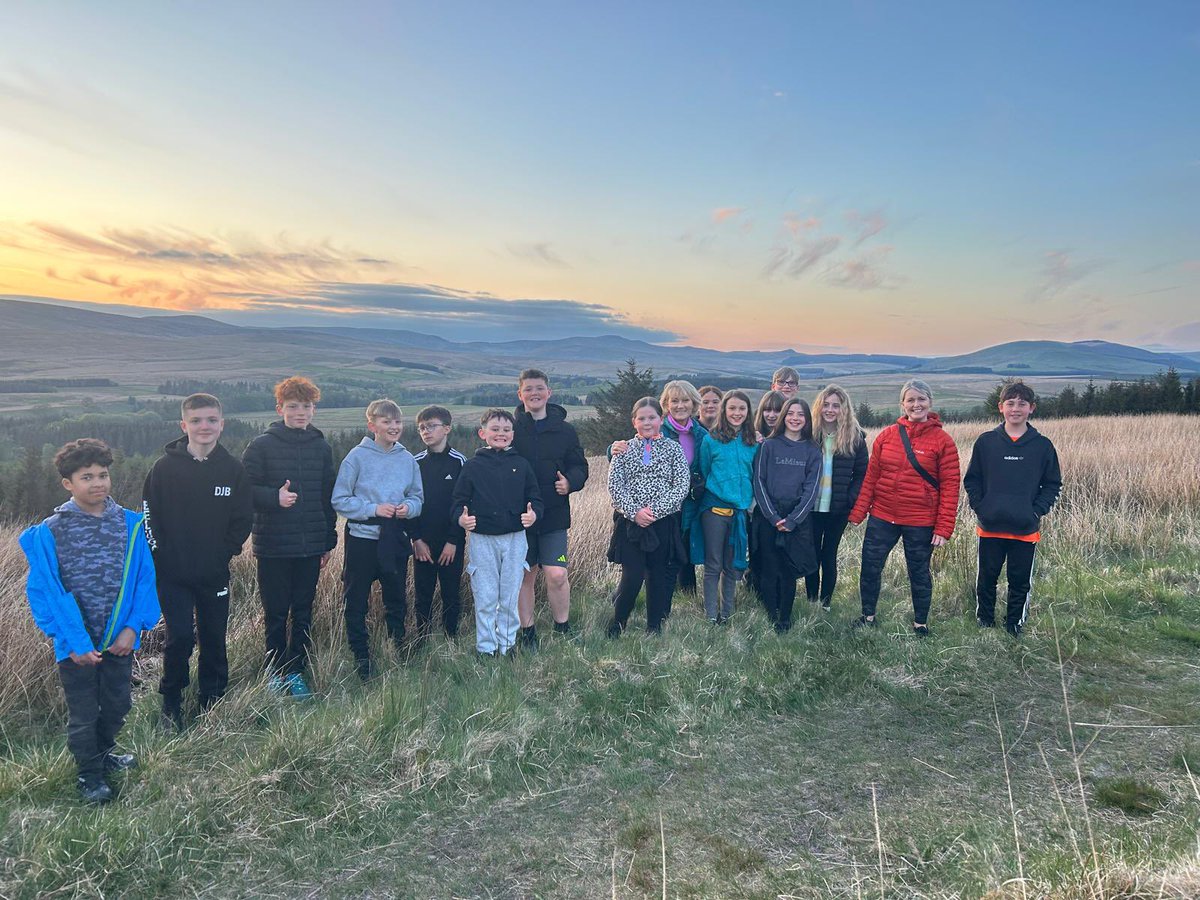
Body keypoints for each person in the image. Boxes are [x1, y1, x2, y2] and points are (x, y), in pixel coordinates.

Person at [19, 439, 161, 803]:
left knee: (117, 705)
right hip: (75, 645)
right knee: (84, 713)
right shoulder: (50, 531)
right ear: (68, 483)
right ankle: (89, 775)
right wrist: (71, 642)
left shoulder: (130, 525)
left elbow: (146, 580)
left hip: (119, 639)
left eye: (103, 475)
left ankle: (104, 753)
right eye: (87, 477)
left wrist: (133, 628)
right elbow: (43, 593)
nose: (98, 483)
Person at [142, 393, 253, 730]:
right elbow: (149, 517)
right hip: (172, 574)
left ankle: (212, 702)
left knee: (214, 637)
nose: (204, 427)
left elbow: (242, 519)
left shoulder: (233, 469)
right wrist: (162, 556)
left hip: (214, 572)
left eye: (211, 420)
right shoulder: (164, 468)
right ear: (183, 425)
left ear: (222, 424)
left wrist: (224, 553)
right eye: (196, 420)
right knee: (179, 638)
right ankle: (171, 703)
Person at [242, 376, 337, 697]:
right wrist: (274, 498)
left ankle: (296, 671)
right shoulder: (261, 446)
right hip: (272, 546)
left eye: (307, 407)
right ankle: (274, 669)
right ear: (280, 408)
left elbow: (327, 497)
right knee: (276, 612)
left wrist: (328, 542)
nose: (301, 412)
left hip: (310, 546)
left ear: (314, 409)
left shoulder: (321, 447)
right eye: (293, 406)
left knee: (303, 611)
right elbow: (244, 492)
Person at [849, 379, 960, 636]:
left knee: (919, 572)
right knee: (870, 566)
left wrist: (943, 528)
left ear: (930, 403)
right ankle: (868, 616)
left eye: (921, 399)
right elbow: (871, 478)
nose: (916, 404)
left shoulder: (943, 442)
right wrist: (858, 512)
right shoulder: (887, 436)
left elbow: (950, 487)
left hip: (920, 520)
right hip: (883, 516)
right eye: (910, 400)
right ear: (902, 404)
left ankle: (920, 623)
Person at [331, 399, 424, 681]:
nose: (393, 427)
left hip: (394, 537)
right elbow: (340, 500)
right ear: (372, 425)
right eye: (386, 422)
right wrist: (373, 509)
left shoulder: (407, 459)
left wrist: (408, 508)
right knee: (356, 600)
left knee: (396, 597)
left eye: (397, 422)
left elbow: (417, 497)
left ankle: (397, 647)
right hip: (362, 538)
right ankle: (361, 656)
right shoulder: (356, 457)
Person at [964, 381, 1062, 637]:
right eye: (1010, 403)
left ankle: (1014, 625)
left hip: (1025, 529)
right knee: (987, 580)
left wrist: (1036, 511)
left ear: (1032, 408)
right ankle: (985, 623)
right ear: (1000, 407)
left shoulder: (1042, 446)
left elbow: (1052, 484)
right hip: (990, 527)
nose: (1015, 409)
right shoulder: (986, 443)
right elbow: (972, 479)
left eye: (1022, 404)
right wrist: (981, 507)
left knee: (1020, 582)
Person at [451, 409, 544, 657]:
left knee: (510, 594)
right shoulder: (472, 466)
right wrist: (461, 519)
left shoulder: (521, 465)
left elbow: (535, 498)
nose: (500, 434)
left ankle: (507, 645)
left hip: (514, 539)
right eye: (495, 430)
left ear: (512, 435)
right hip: (482, 540)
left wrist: (533, 515)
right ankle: (486, 648)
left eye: (505, 430)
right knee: (486, 595)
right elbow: (458, 502)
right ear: (483, 433)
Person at [609, 380, 709, 604]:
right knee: (643, 564)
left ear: (693, 404)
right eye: (675, 401)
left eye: (685, 400)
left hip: (686, 505)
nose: (680, 405)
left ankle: (676, 604)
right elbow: (627, 448)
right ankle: (625, 602)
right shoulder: (655, 426)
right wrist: (612, 448)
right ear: (665, 405)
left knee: (677, 556)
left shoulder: (701, 434)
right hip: (647, 511)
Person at [512, 368, 589, 648]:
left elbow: (580, 465)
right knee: (525, 575)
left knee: (557, 574)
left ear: (549, 393)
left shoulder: (565, 431)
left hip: (555, 514)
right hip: (520, 516)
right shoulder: (512, 429)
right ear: (520, 395)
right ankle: (528, 633)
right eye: (528, 389)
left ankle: (562, 627)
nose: (534, 393)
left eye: (539, 388)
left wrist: (570, 483)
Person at [605, 398, 691, 636]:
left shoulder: (674, 449)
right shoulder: (623, 449)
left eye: (652, 417)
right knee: (631, 577)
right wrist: (635, 513)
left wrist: (655, 511)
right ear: (634, 422)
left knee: (658, 577)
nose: (647, 422)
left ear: (661, 420)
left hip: (663, 522)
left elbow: (681, 485)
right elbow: (614, 486)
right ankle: (618, 623)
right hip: (631, 524)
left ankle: (654, 627)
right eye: (641, 418)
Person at [752, 397, 821, 631]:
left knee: (789, 570)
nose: (795, 418)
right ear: (783, 416)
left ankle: (785, 618)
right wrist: (772, 517)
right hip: (768, 517)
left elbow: (812, 488)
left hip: (796, 519)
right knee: (769, 568)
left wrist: (793, 520)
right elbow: (758, 481)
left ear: (807, 419)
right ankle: (772, 615)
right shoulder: (768, 445)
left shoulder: (812, 449)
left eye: (800, 414)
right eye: (790, 413)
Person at [694, 390, 760, 624]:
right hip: (714, 510)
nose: (737, 413)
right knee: (713, 565)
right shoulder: (710, 440)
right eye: (732, 408)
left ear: (748, 412)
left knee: (732, 566)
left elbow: (756, 475)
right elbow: (704, 469)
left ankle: (727, 614)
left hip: (741, 513)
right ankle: (711, 615)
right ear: (724, 410)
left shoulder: (753, 442)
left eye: (742, 409)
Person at [805, 384, 868, 611]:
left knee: (828, 555)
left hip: (837, 509)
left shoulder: (855, 437)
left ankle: (826, 603)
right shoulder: (808, 434)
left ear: (844, 409)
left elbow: (862, 473)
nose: (830, 410)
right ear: (819, 407)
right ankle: (812, 600)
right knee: (811, 555)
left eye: (836, 405)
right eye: (826, 405)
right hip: (810, 508)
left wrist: (850, 499)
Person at [409, 405, 468, 640]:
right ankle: (422, 638)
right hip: (422, 542)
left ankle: (450, 638)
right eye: (422, 428)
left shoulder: (460, 462)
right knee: (422, 592)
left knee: (451, 591)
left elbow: (464, 505)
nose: (426, 431)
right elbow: (410, 503)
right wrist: (416, 539)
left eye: (431, 426)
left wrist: (453, 540)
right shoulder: (414, 463)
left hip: (451, 542)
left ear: (447, 428)